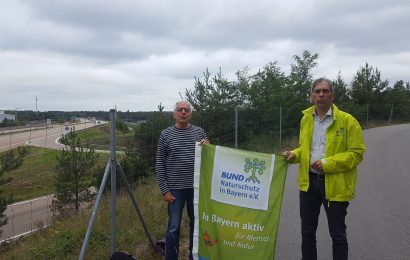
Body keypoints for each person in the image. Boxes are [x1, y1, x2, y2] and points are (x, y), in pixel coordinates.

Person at [283, 78, 366, 260]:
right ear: (311, 96)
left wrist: (327, 164)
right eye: (317, 91)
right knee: (307, 232)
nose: (321, 94)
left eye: (325, 91)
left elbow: (356, 153)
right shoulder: (305, 120)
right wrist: (294, 154)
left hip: (335, 186)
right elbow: (305, 148)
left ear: (332, 96)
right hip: (309, 184)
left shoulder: (348, 121)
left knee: (337, 235)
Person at [155, 100, 209, 260]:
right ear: (174, 114)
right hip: (175, 190)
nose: (183, 112)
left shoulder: (199, 132)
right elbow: (159, 164)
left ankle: (194, 256)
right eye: (180, 110)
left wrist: (207, 146)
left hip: (196, 189)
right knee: (173, 227)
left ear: (191, 113)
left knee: (196, 226)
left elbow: (209, 155)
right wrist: (165, 190)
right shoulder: (165, 134)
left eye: (187, 110)